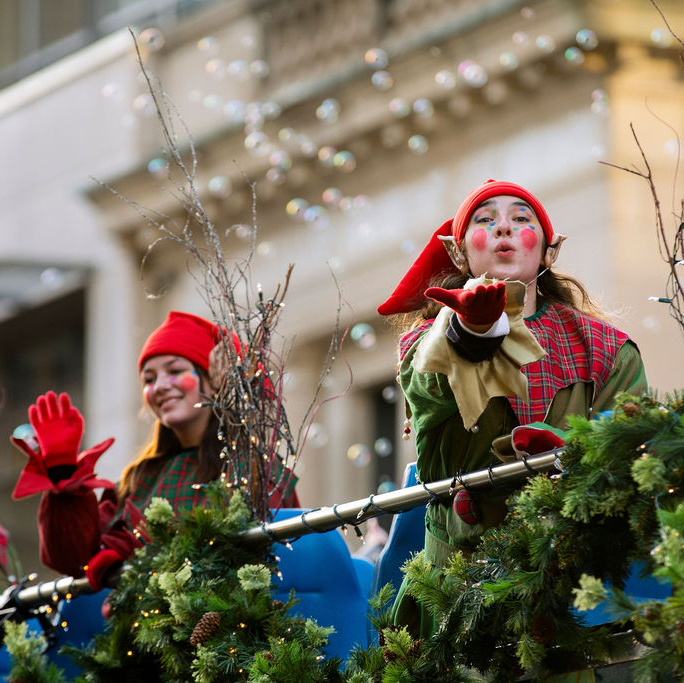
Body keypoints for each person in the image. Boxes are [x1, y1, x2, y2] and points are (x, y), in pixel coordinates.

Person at [377, 179, 647, 636]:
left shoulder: (609, 350)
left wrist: (573, 452)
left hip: (576, 579)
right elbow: (433, 387)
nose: (504, 227)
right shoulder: (423, 344)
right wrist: (473, 332)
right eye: (485, 221)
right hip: (459, 588)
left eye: (522, 219)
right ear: (459, 254)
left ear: (548, 251)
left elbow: (629, 448)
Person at [10, 311, 300, 590]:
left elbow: (280, 561)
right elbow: (73, 561)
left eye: (174, 371)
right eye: (149, 379)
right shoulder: (139, 480)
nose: (159, 386)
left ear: (214, 381)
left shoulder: (253, 470)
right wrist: (62, 472)